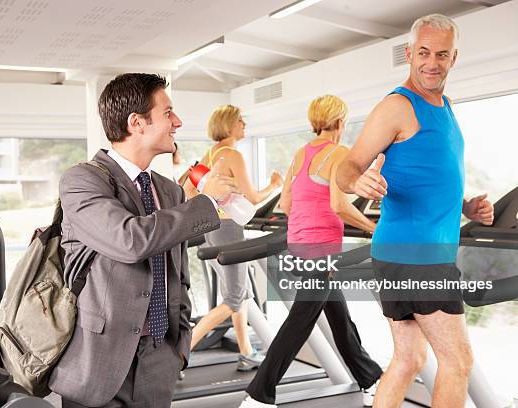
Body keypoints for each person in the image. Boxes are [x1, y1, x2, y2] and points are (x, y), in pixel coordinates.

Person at [48, 73, 236, 408]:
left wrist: (180, 344)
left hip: (159, 359)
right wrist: (206, 202)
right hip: (99, 363)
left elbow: (179, 274)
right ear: (137, 122)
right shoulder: (82, 181)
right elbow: (130, 240)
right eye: (167, 113)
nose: (176, 122)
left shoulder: (170, 190)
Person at [336, 14, 494, 407]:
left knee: (409, 358)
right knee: (458, 360)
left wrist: (466, 207)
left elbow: (432, 178)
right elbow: (346, 167)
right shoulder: (396, 105)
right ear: (409, 53)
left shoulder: (445, 106)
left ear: (453, 58)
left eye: (441, 54)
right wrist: (357, 182)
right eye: (423, 52)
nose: (431, 62)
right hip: (417, 256)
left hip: (404, 254)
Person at [240, 95, 382, 408]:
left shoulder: (301, 153)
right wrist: (375, 229)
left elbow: (287, 204)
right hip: (320, 250)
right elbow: (338, 205)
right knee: (299, 323)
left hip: (300, 245)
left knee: (339, 319)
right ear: (341, 122)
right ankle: (258, 395)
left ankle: (370, 378)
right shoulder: (339, 153)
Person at [184, 104, 283, 371]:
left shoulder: (210, 154)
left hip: (211, 229)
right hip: (228, 230)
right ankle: (179, 354)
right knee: (233, 300)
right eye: (240, 120)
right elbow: (252, 198)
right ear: (229, 125)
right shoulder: (232, 154)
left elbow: (189, 193)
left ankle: (246, 352)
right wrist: (274, 185)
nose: (244, 125)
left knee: (241, 293)